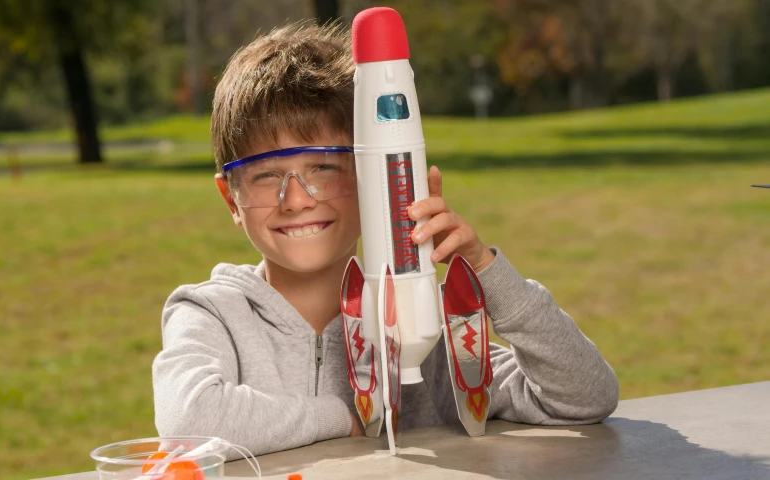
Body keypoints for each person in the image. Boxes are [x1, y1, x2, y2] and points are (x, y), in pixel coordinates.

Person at [152, 21, 619, 457]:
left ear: (377, 179)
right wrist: (346, 417)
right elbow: (188, 421)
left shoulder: (427, 328)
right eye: (265, 175)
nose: (295, 199)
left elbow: (583, 397)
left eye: (324, 168)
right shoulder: (213, 315)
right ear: (230, 199)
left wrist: (488, 272)